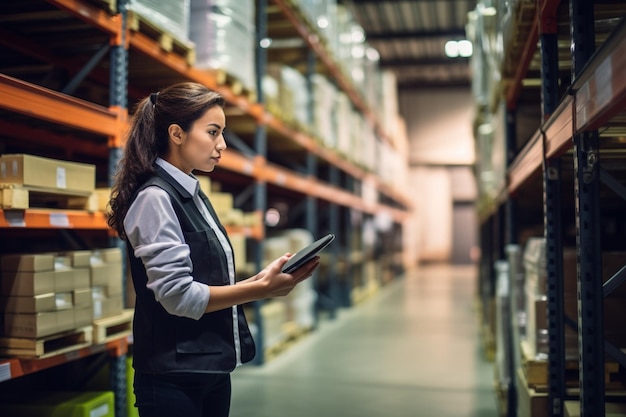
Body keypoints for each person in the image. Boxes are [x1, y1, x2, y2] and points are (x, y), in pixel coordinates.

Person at [107, 82, 320, 417]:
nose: (221, 145)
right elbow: (178, 296)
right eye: (212, 132)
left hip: (211, 369)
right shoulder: (155, 198)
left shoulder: (193, 191)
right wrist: (259, 290)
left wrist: (261, 280)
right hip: (173, 379)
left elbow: (207, 272)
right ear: (176, 134)